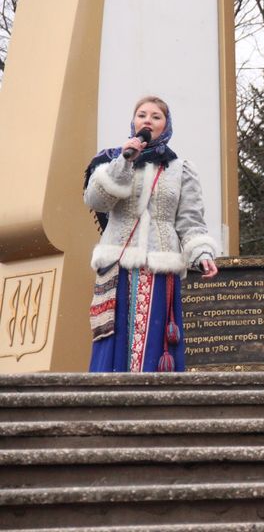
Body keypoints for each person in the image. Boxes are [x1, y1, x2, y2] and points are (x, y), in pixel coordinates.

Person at [84, 96, 219, 372]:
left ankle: (149, 389)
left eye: (156, 117)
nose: (148, 120)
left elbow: (190, 220)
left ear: (166, 126)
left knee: (155, 338)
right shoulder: (111, 160)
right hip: (118, 264)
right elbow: (97, 202)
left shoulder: (180, 169)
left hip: (160, 264)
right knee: (114, 335)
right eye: (142, 115)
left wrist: (202, 253)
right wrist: (124, 161)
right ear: (133, 122)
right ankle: (111, 391)